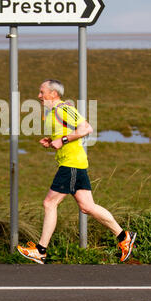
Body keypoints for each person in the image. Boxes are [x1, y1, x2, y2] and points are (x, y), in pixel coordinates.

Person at [17, 79, 136, 264]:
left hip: (71, 165)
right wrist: (52, 140)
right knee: (87, 207)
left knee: (49, 203)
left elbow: (86, 128)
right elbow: (68, 132)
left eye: (42, 92)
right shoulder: (55, 112)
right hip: (75, 163)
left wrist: (62, 140)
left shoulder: (63, 109)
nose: (39, 96)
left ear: (53, 94)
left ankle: (40, 250)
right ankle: (123, 238)